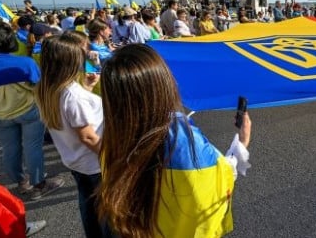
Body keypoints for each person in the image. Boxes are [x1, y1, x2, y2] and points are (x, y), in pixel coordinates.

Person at [97, 44, 252, 237]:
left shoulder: (113, 135)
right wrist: (242, 143)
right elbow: (218, 178)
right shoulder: (179, 135)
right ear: (162, 84)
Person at [35, 35, 112, 238]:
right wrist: (112, 155)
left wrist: (86, 87)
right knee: (109, 213)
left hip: (75, 160)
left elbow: (69, 117)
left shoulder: (47, 88)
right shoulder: (73, 96)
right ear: (70, 62)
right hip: (95, 163)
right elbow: (88, 137)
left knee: (88, 205)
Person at [0, 22, 64, 201]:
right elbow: (38, 85)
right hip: (29, 111)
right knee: (33, 148)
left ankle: (21, 182)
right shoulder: (25, 62)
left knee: (9, 150)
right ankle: (39, 184)